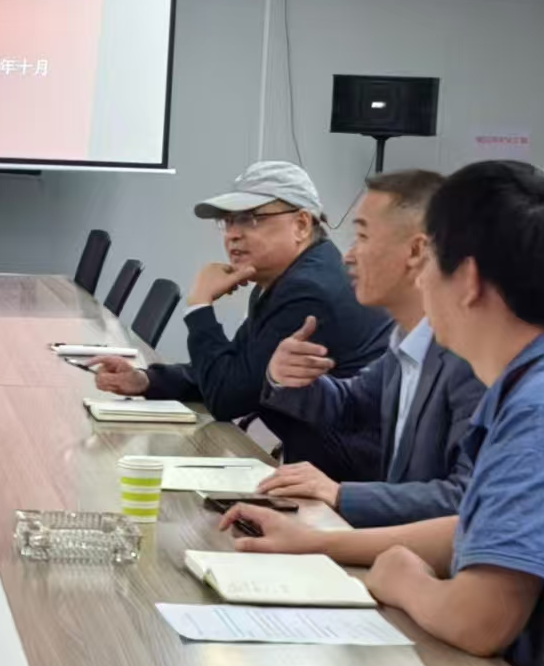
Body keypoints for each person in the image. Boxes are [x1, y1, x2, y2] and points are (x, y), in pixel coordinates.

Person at [221, 161, 544, 660]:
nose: (421, 280)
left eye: (431, 260)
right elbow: (483, 526)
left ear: (468, 279)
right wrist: (319, 542)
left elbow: (479, 621)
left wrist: (403, 578)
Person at [92, 161, 391, 476]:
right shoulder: (288, 278)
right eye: (228, 221)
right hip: (318, 465)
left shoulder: (309, 290)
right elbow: (241, 371)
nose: (233, 235)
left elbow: (227, 398)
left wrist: (199, 307)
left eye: (251, 219)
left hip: (347, 481)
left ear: (302, 225)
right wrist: (148, 380)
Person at [253, 169, 486, 527]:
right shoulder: (408, 340)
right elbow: (350, 406)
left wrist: (340, 494)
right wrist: (286, 376)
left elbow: (467, 501)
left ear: (416, 250)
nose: (348, 256)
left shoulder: (472, 357)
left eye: (362, 236)